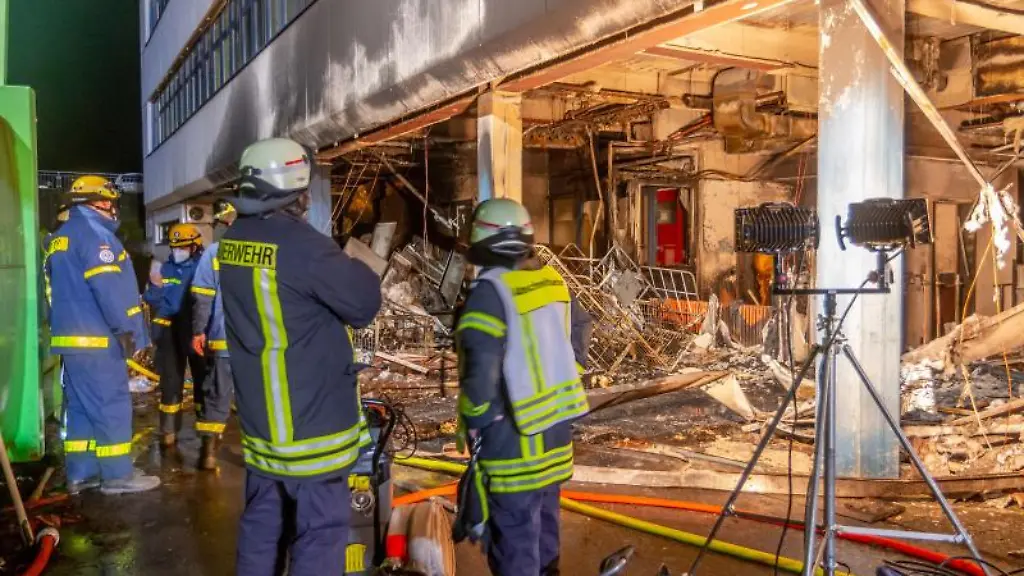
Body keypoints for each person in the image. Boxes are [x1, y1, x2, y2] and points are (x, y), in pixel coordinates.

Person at [220, 137, 382, 576]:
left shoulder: (234, 239)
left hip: (262, 424)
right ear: (296, 190)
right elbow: (362, 304)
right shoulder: (302, 245)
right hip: (311, 426)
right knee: (320, 533)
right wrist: (359, 267)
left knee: (263, 523)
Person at [453, 198, 592, 576]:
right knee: (545, 525)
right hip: (555, 436)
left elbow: (480, 376)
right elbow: (580, 330)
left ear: (480, 240)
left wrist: (474, 421)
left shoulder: (489, 293)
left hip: (513, 443)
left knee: (514, 540)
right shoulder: (552, 282)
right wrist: (563, 374)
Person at [44, 175, 160, 495]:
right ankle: (118, 475)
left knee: (81, 408)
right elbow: (111, 291)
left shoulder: (59, 238)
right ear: (99, 201)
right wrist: (131, 331)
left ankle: (81, 473)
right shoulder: (97, 237)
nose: (113, 208)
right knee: (111, 406)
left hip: (70, 342)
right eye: (110, 202)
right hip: (98, 340)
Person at [190, 200, 237, 470]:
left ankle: (208, 454)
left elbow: (202, 297)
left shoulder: (214, 253)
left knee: (218, 395)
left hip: (223, 340)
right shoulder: (269, 250)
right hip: (260, 343)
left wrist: (198, 331)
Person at [151, 223, 208, 446]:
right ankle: (168, 432)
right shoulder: (164, 268)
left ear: (195, 246)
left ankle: (206, 432)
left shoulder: (203, 268)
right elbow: (151, 296)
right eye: (175, 247)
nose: (178, 251)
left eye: (183, 247)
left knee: (202, 379)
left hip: (195, 328)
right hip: (169, 330)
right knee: (170, 381)